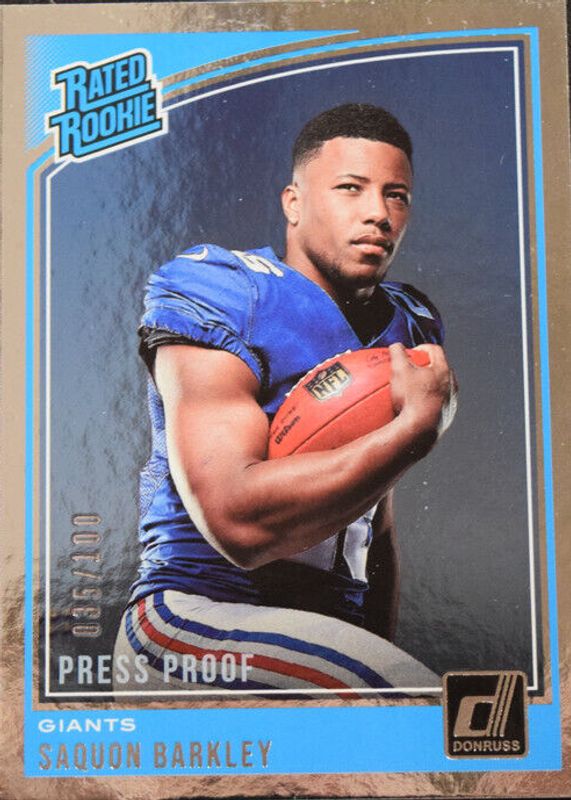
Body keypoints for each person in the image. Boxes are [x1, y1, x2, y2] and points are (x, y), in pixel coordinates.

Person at [113, 104, 456, 697]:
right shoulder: (228, 289)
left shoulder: (410, 324)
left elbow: (374, 521)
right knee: (429, 712)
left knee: (413, 712)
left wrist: (377, 646)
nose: (378, 213)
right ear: (293, 203)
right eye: (350, 188)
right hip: (195, 619)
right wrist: (412, 433)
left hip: (317, 636)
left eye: (395, 195)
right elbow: (237, 524)